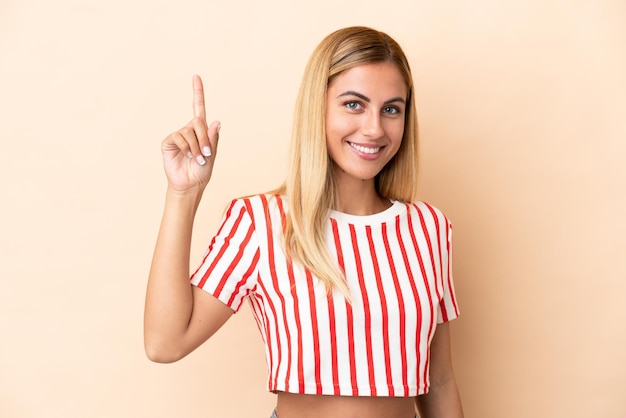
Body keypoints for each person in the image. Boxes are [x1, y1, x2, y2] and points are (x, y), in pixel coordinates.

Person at [144, 26, 464, 418]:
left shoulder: (428, 229)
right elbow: (165, 343)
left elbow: (441, 380)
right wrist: (183, 194)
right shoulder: (260, 222)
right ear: (318, 107)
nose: (375, 128)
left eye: (391, 109)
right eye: (353, 104)